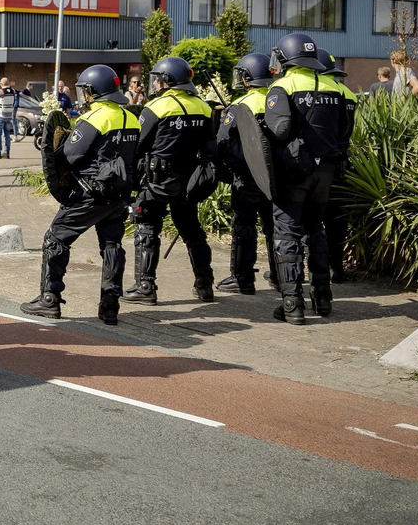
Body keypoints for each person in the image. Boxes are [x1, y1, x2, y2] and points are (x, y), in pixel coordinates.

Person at [21, 65, 139, 325]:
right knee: (112, 246)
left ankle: (49, 298)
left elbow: (68, 156)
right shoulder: (130, 118)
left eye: (85, 91)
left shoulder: (93, 119)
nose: (83, 95)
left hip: (88, 195)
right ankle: (110, 305)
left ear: (93, 91)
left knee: (56, 239)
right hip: (118, 194)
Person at [263, 32, 354, 324]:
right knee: (316, 230)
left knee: (287, 235)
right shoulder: (336, 88)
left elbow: (279, 130)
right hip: (325, 172)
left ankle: (293, 306)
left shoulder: (282, 86)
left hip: (293, 172)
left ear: (286, 57)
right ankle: (323, 299)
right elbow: (343, 132)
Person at [123, 56, 218, 305]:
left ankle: (145, 286)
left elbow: (138, 145)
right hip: (189, 181)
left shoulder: (156, 108)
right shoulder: (203, 107)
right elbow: (210, 151)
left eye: (157, 79)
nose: (154, 84)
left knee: (146, 227)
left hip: (158, 180)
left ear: (167, 80)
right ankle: (205, 285)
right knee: (193, 232)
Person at [215, 52, 279, 295]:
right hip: (276, 177)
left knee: (244, 225)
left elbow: (222, 142)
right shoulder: (279, 100)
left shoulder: (241, 105)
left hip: (248, 176)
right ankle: (279, 276)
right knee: (275, 226)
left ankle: (242, 278)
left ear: (248, 78)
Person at [319, 50, 360, 284]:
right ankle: (337, 268)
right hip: (342, 163)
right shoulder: (347, 93)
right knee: (337, 221)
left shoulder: (320, 91)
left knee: (313, 219)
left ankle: (320, 267)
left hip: (318, 164)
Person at [0, 77, 18, 159]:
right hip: (9, 115)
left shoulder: (0, 91)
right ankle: (6, 152)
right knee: (7, 134)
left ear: (1, 84)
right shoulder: (13, 90)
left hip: (0, 115)